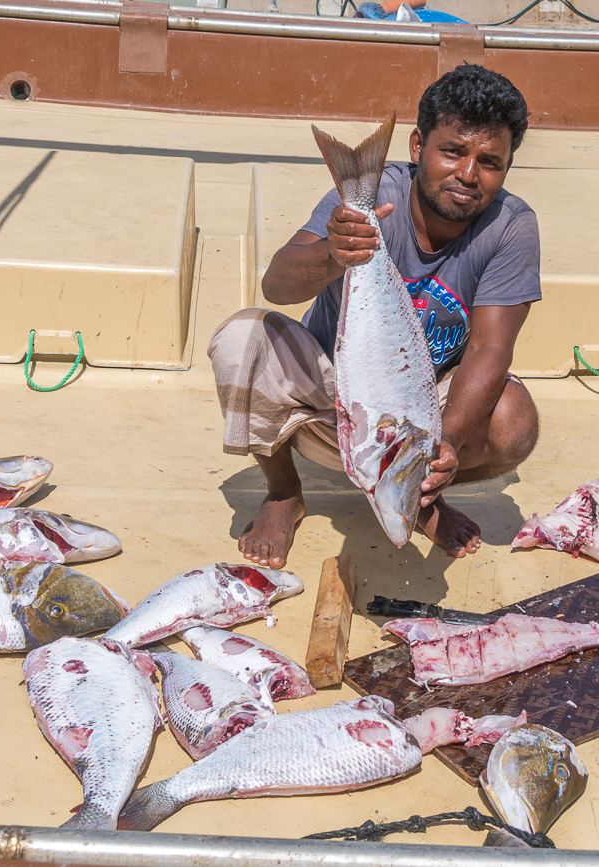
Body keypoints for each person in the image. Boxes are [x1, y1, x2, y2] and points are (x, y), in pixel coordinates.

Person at [208, 63, 541, 569]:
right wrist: (332, 255)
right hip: (328, 390)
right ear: (416, 146)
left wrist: (443, 444)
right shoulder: (372, 196)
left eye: (490, 161)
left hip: (423, 404)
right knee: (242, 337)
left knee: (514, 420)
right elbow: (276, 285)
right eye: (452, 151)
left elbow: (490, 348)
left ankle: (424, 496)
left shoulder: (511, 226)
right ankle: (283, 492)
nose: (469, 175)